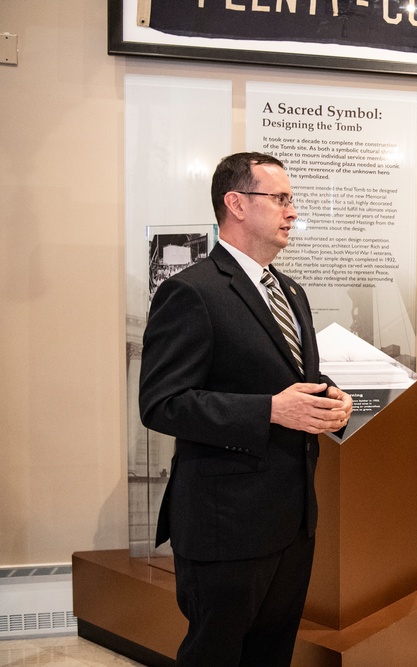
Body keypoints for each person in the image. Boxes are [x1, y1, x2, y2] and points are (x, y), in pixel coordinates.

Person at [139, 152, 353, 666]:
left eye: (291, 200)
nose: (291, 211)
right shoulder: (190, 292)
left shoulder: (290, 291)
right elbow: (162, 404)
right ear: (235, 203)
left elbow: (289, 376)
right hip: (225, 525)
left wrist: (330, 393)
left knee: (271, 653)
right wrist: (269, 412)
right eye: (279, 199)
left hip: (292, 519)